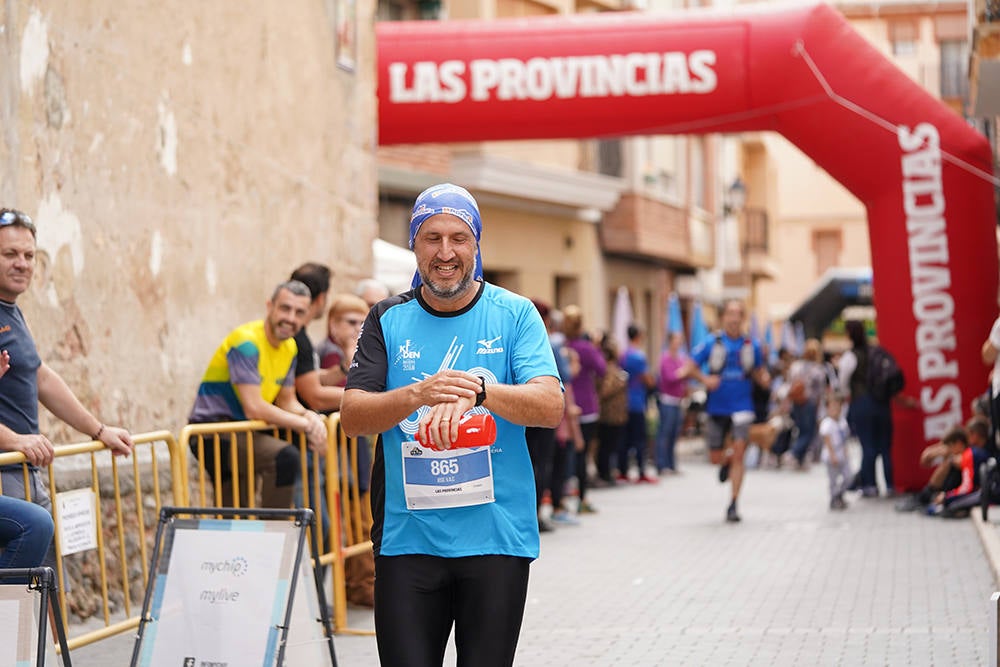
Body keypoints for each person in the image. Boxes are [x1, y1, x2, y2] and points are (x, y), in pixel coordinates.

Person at [340, 183, 563, 667]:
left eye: (459, 238)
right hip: (408, 540)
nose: (445, 252)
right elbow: (353, 417)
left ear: (476, 244)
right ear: (414, 246)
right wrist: (418, 394)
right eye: (431, 237)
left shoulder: (515, 314)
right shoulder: (386, 317)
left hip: (495, 537)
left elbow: (550, 406)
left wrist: (480, 391)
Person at [0, 207, 133, 570]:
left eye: (28, 255)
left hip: (26, 468)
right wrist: (15, 441)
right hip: (6, 469)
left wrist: (100, 430)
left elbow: (40, 376)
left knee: (47, 587)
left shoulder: (11, 311)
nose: (22, 264)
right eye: (9, 254)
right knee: (22, 593)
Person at [187, 280, 328, 509]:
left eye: (299, 312)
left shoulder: (290, 346)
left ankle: (262, 537)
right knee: (284, 458)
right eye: (285, 308)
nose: (291, 318)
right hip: (212, 432)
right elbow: (254, 406)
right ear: (269, 306)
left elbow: (287, 401)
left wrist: (310, 416)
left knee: (235, 509)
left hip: (242, 431)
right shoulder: (247, 342)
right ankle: (275, 534)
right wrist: (305, 426)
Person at [317, 291, 377, 605]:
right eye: (350, 321)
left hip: (352, 450)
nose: (357, 328)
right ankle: (360, 587)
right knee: (354, 520)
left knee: (362, 519)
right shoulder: (331, 354)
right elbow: (351, 390)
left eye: (362, 322)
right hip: (339, 454)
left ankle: (362, 584)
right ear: (333, 323)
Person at [685, 299, 765, 522]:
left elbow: (758, 372)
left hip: (743, 406)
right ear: (723, 317)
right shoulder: (711, 343)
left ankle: (733, 504)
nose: (734, 318)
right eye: (730, 313)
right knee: (715, 457)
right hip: (717, 406)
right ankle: (725, 462)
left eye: (738, 313)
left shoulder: (752, 345)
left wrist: (765, 380)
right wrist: (705, 379)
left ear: (743, 317)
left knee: (740, 452)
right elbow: (689, 367)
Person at [837, 320, 894, 497]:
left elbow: (843, 383)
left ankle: (870, 485)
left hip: (861, 403)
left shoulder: (851, 356)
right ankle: (890, 485)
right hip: (882, 403)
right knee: (885, 447)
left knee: (867, 445)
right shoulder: (876, 352)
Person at [562, 305, 605, 512]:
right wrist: (595, 346)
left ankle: (562, 497)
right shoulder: (586, 348)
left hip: (564, 408)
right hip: (586, 407)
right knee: (583, 453)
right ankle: (582, 498)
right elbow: (602, 369)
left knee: (566, 454)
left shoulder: (561, 345)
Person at [289, 263, 344, 412]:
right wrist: (365, 397)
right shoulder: (298, 338)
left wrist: (343, 369)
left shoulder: (299, 336)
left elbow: (308, 376)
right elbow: (316, 397)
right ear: (321, 298)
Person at [619, 323, 657, 483]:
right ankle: (641, 471)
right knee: (640, 439)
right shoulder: (638, 356)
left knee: (625, 439)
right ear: (639, 336)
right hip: (637, 401)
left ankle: (623, 470)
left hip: (624, 401)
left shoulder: (623, 355)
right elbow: (648, 379)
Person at [787, 339, 828, 468]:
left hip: (796, 401)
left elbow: (790, 382)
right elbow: (820, 390)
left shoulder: (796, 366)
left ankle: (800, 459)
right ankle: (793, 453)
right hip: (809, 403)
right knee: (808, 432)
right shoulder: (818, 369)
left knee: (800, 429)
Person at [595, 335, 628, 486]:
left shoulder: (613, 368)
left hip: (616, 415)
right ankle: (604, 473)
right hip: (608, 416)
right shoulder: (608, 369)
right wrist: (620, 382)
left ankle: (608, 472)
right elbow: (605, 391)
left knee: (611, 445)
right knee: (606, 446)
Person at [655, 331, 687, 475]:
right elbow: (669, 377)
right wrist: (684, 372)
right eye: (676, 339)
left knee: (674, 434)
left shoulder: (680, 359)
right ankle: (662, 465)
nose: (679, 342)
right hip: (667, 400)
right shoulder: (665, 359)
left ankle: (671, 464)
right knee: (665, 433)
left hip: (677, 400)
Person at [819, 392, 851, 510]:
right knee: (833, 479)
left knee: (848, 477)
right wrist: (832, 455)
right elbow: (827, 441)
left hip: (842, 453)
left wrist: (846, 451)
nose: (835, 410)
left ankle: (839, 494)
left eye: (837, 407)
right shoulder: (827, 424)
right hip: (831, 455)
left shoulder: (842, 422)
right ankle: (834, 499)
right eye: (832, 407)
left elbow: (845, 438)